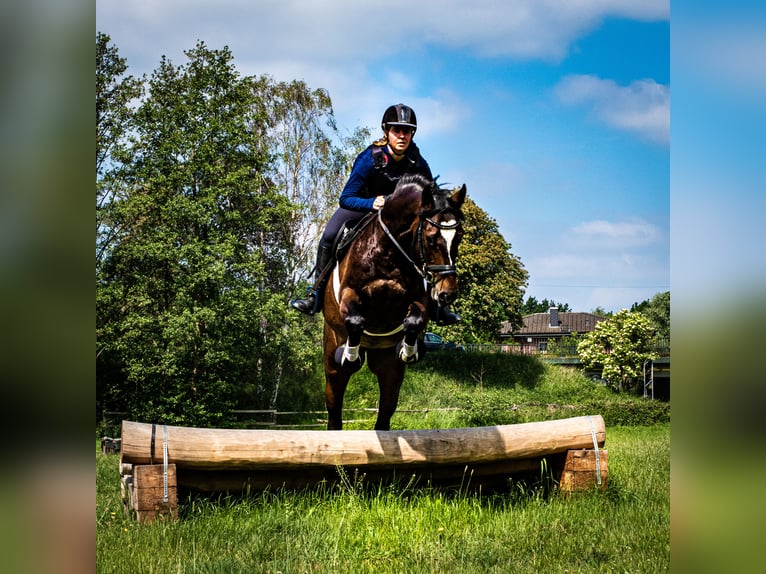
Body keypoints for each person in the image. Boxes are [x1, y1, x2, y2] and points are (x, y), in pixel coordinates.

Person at [290, 103, 460, 325]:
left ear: (412, 134)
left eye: (406, 131)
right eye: (396, 130)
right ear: (386, 132)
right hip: (362, 206)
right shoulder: (370, 158)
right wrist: (371, 202)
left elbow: (432, 197)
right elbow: (346, 198)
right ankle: (314, 295)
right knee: (330, 235)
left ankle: (436, 307)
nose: (402, 136)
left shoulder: (417, 162)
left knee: (428, 243)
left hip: (398, 221)